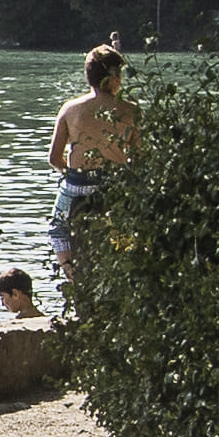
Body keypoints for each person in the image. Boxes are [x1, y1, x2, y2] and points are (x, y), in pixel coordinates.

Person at [47, 40, 141, 305]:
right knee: (129, 231)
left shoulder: (70, 109)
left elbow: (54, 158)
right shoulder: (131, 111)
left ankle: (72, 276)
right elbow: (141, 158)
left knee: (57, 229)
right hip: (114, 186)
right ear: (114, 78)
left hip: (76, 186)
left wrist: (70, 169)